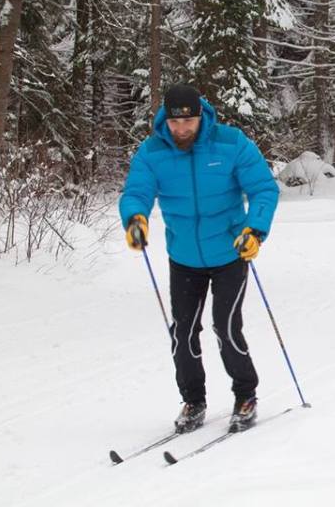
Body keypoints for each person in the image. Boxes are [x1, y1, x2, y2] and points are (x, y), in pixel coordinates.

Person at [119, 83, 279, 433]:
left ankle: (245, 394)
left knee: (225, 326)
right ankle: (193, 400)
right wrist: (135, 218)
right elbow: (137, 191)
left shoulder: (230, 142)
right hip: (184, 257)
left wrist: (255, 229)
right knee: (183, 332)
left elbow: (264, 188)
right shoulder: (152, 151)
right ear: (166, 120)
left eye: (188, 122)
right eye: (176, 124)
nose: (181, 130)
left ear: (200, 116)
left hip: (230, 252)